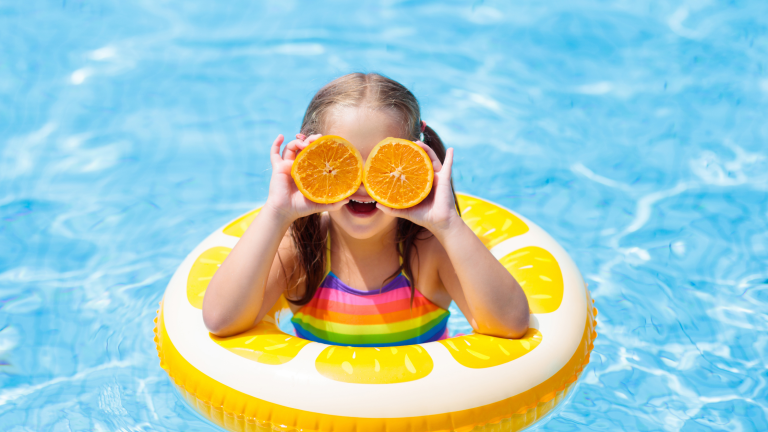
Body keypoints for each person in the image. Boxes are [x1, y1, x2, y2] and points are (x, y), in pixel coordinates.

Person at [202, 73, 529, 346]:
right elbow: (221, 320)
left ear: (416, 156)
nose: (362, 184)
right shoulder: (301, 249)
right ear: (309, 157)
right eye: (342, 161)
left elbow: (509, 325)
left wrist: (446, 224)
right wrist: (276, 212)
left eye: (383, 162)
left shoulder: (430, 249)